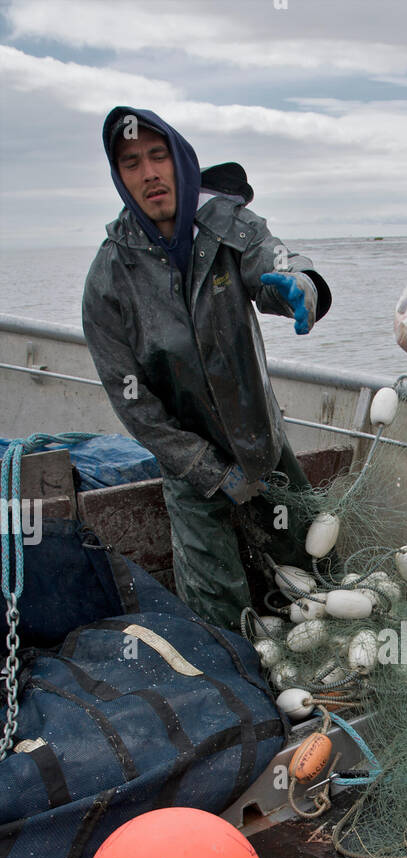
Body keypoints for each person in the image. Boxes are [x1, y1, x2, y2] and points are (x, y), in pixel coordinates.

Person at [83, 106, 332, 630]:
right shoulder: (109, 277)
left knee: (313, 569)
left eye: (158, 156)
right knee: (219, 607)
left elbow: (273, 261)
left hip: (262, 442)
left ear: (180, 160)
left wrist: (301, 284)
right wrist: (210, 472)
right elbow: (134, 404)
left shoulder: (226, 225)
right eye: (131, 163)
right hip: (186, 465)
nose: (149, 173)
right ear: (120, 179)